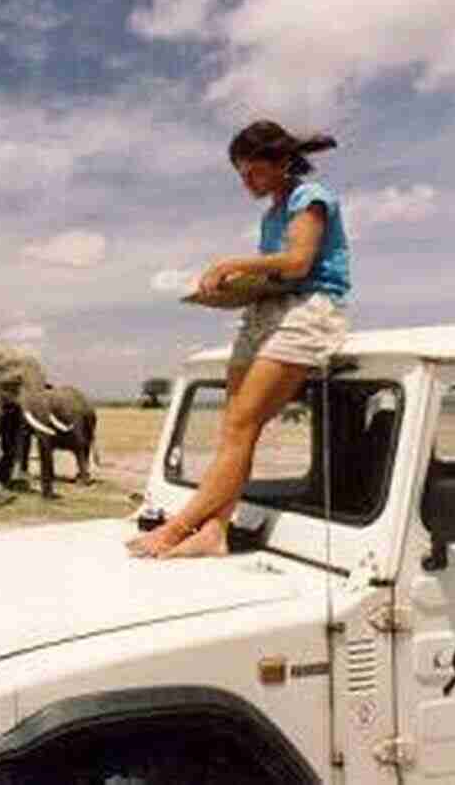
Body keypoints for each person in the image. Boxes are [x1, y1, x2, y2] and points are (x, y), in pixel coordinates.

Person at [127, 120, 350, 559]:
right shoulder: (271, 213)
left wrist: (232, 265)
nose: (247, 182)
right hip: (265, 310)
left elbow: (300, 262)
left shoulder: (311, 198)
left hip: (307, 310)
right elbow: (275, 270)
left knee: (240, 427)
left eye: (253, 173)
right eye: (242, 175)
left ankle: (178, 529)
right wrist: (239, 288)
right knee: (235, 430)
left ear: (282, 162)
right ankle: (215, 531)